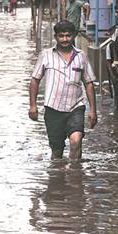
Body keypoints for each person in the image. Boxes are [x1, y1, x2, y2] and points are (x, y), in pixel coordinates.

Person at [28, 20, 97, 160]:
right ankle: (58, 179)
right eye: (61, 36)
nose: (65, 39)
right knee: (57, 152)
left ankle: (74, 176)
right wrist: (33, 106)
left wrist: (93, 110)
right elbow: (35, 80)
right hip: (53, 109)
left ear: (73, 36)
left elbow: (89, 83)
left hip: (75, 107)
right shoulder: (46, 55)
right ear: (56, 37)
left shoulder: (81, 56)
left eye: (68, 36)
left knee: (76, 140)